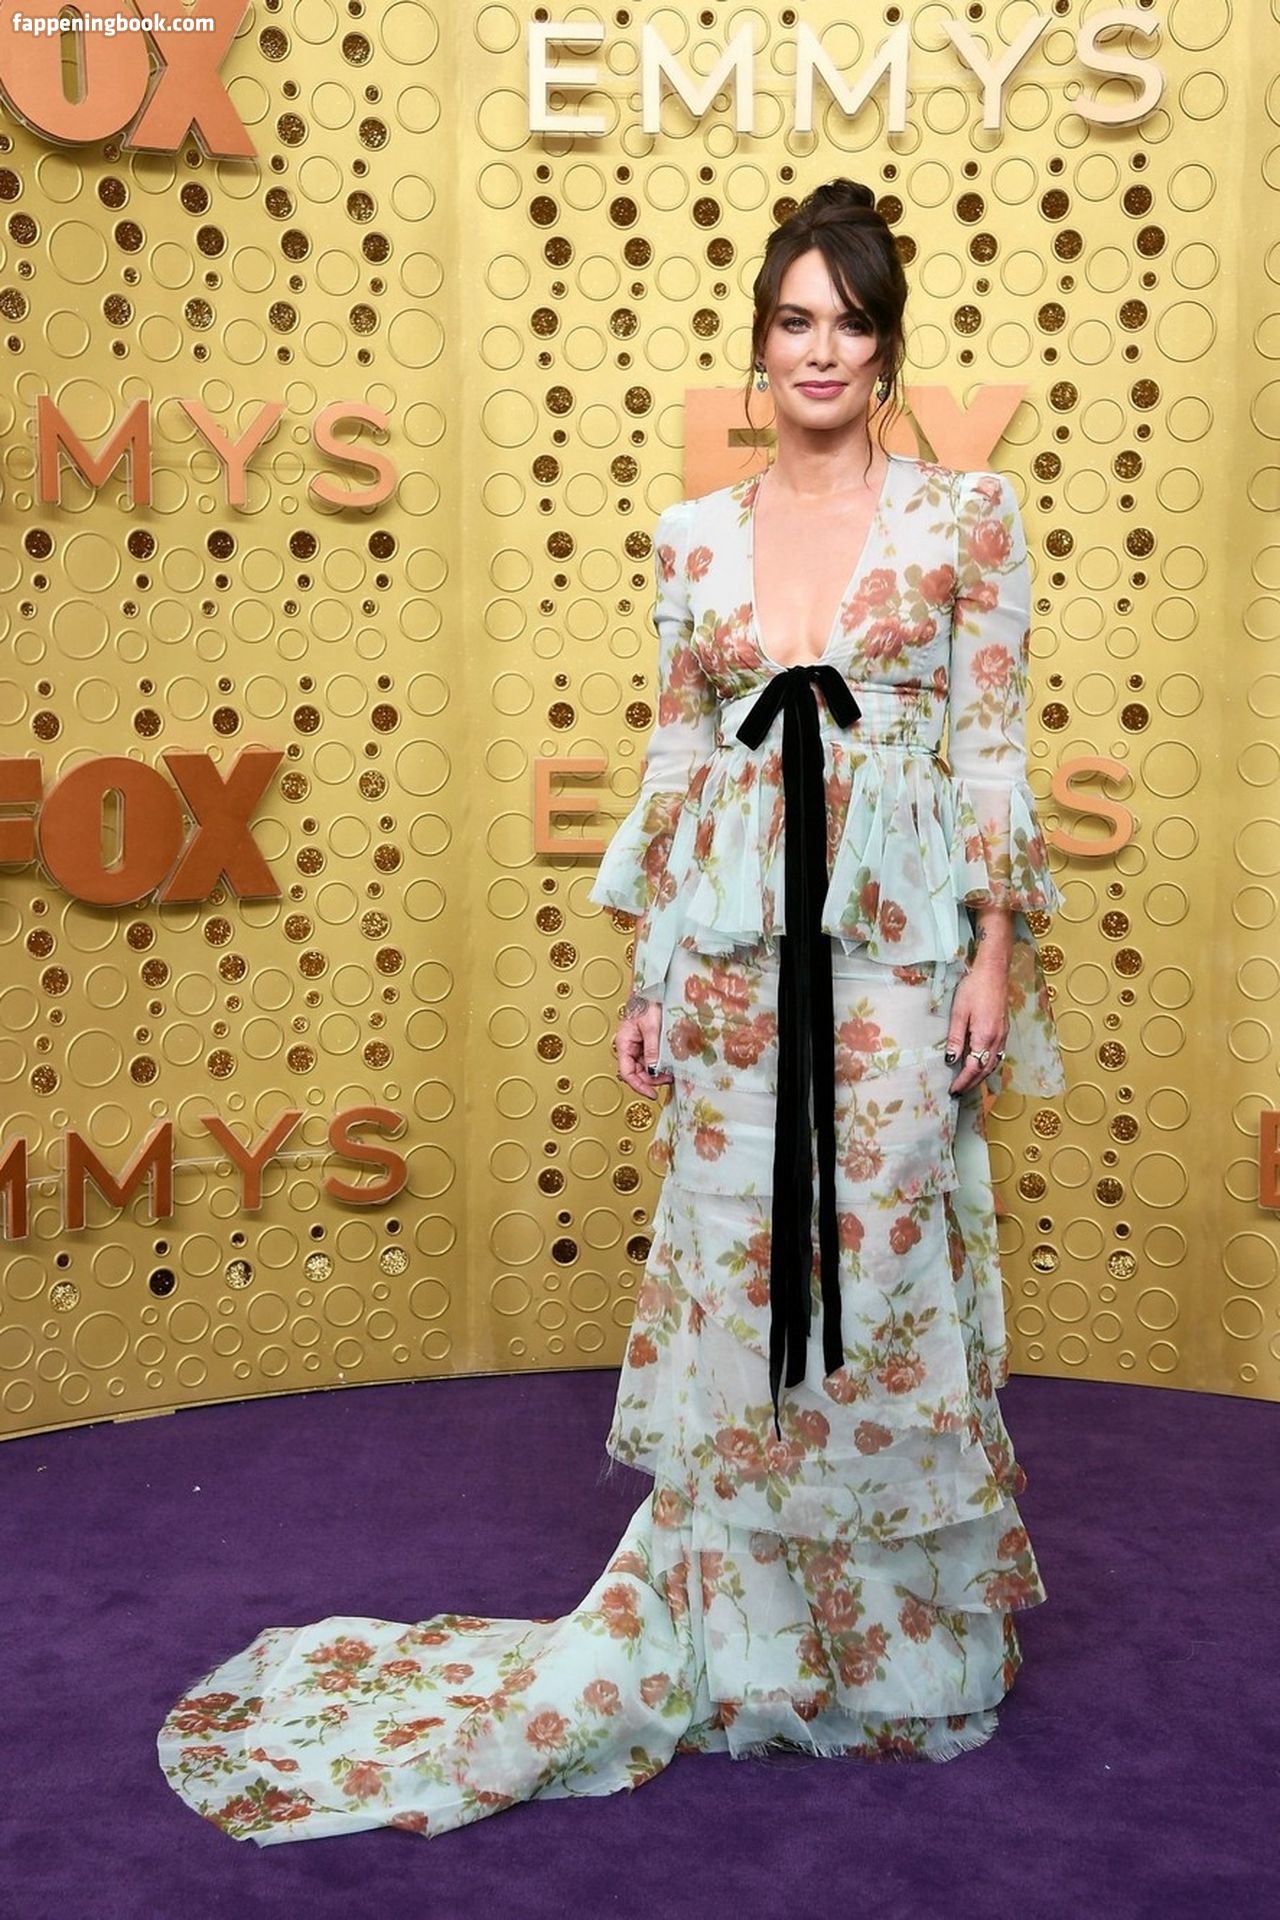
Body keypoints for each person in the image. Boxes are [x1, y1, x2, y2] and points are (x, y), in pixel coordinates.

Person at [155, 178, 1066, 1846]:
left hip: (891, 959)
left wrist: (995, 956)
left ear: (887, 347)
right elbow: (679, 759)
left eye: (850, 322)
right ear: (758, 342)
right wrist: (650, 974)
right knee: (738, 1290)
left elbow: (993, 752)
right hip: (727, 970)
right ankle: (741, 1643)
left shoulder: (970, 517)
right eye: (794, 319)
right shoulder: (694, 536)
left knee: (876, 1288)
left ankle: (891, 1659)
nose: (821, 349)